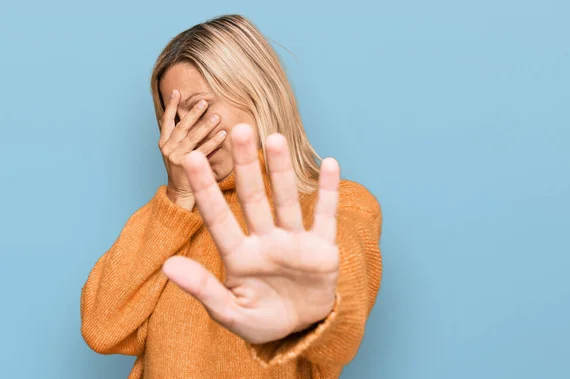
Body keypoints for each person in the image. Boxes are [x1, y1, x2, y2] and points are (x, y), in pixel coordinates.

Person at [80, 14, 382, 379]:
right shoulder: (175, 222)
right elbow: (101, 328)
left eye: (200, 107)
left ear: (257, 91)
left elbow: (342, 323)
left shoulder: (339, 205)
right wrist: (177, 199)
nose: (186, 132)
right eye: (175, 118)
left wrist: (316, 314)